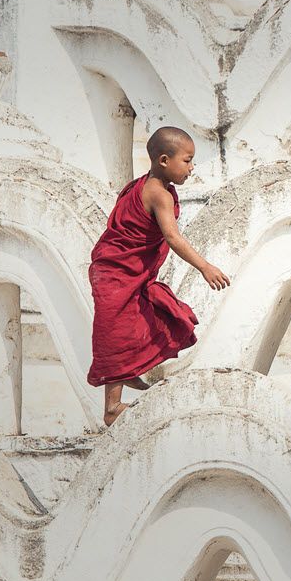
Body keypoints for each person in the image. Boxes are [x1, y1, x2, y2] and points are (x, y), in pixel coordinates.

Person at [87, 127, 229, 426]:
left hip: (124, 268)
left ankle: (129, 371)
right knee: (116, 329)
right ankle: (112, 407)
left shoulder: (142, 185)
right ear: (164, 160)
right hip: (116, 270)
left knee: (151, 313)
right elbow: (173, 238)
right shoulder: (158, 194)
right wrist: (205, 267)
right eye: (188, 161)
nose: (192, 168)